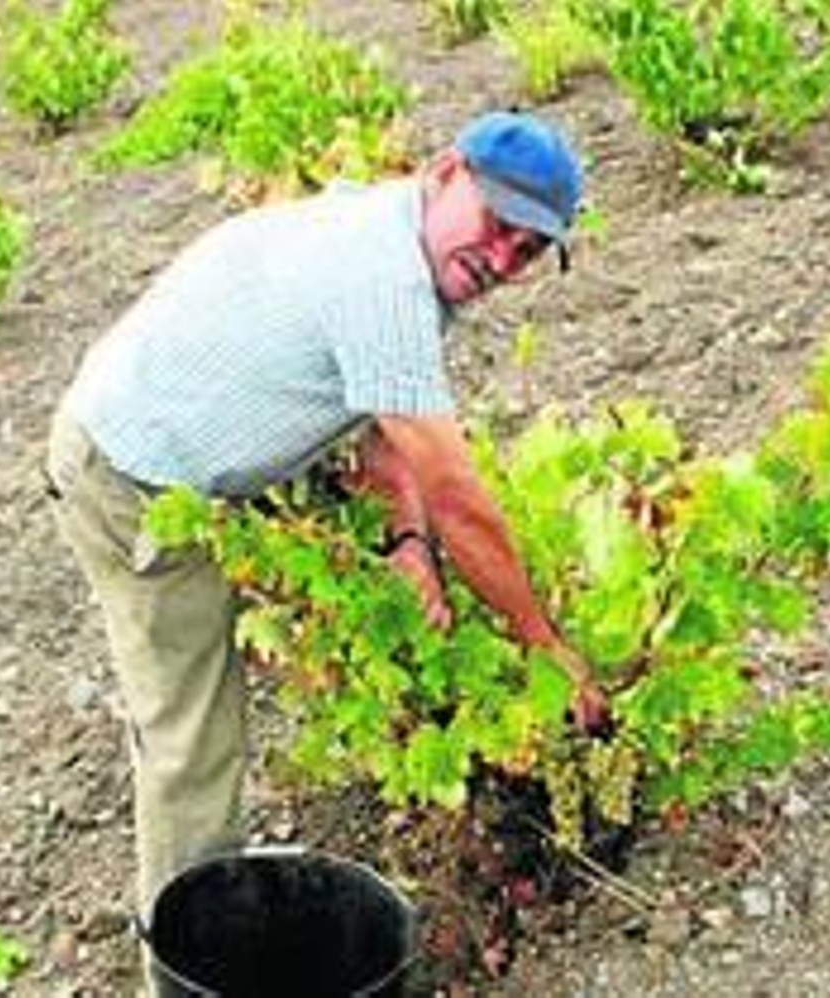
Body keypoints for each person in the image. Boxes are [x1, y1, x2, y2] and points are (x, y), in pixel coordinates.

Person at [43, 110, 607, 989]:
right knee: (193, 738)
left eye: (528, 252)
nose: (503, 260)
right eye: (498, 227)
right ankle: (189, 973)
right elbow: (461, 497)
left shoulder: (406, 245)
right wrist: (544, 645)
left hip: (205, 447)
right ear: (445, 170)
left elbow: (377, 423)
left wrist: (406, 540)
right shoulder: (379, 278)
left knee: (309, 615)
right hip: (133, 475)